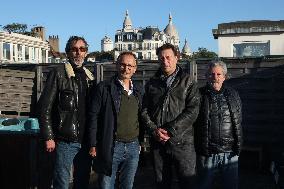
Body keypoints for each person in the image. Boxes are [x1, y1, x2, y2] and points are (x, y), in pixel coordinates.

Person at [38, 36, 94, 189]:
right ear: (68, 53)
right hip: (65, 141)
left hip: (85, 141)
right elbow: (44, 107)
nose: (78, 53)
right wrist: (48, 136)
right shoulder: (59, 73)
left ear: (86, 53)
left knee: (82, 181)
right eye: (74, 49)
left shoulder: (89, 76)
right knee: (61, 182)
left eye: (82, 49)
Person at [141, 43, 200, 189]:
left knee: (187, 183)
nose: (165, 61)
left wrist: (170, 130)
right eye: (161, 58)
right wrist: (154, 130)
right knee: (161, 183)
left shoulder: (188, 81)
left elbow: (193, 110)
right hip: (158, 142)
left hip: (182, 143)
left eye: (168, 57)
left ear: (176, 58)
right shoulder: (151, 83)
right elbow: (144, 110)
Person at [88, 52, 143, 189]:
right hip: (111, 145)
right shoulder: (104, 88)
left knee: (127, 186)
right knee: (106, 185)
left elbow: (142, 118)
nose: (126, 68)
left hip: (133, 146)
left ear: (135, 68)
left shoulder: (139, 91)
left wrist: (140, 143)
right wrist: (93, 144)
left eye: (130, 65)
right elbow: (93, 116)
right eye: (123, 64)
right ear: (117, 65)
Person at [194, 60, 242, 189]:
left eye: (218, 74)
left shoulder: (234, 95)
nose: (214, 77)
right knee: (203, 186)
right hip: (207, 153)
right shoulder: (198, 95)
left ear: (224, 76)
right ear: (206, 76)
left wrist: (237, 146)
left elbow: (238, 121)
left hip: (230, 153)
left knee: (230, 186)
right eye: (211, 74)